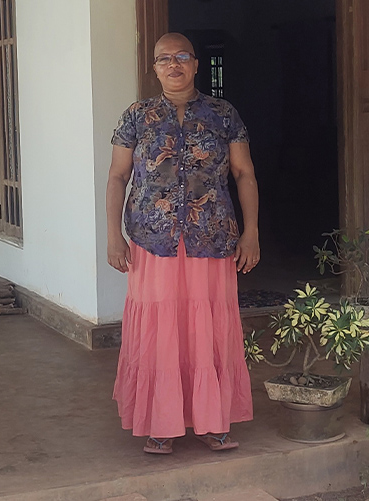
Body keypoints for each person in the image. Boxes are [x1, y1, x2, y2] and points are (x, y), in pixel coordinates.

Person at [107, 32, 260, 455]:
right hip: (151, 240)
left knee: (208, 327)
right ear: (153, 68)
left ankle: (213, 421)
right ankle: (161, 421)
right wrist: (112, 235)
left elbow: (244, 173)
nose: (173, 65)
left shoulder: (223, 114)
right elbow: (118, 176)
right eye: (163, 59)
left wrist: (252, 231)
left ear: (195, 64)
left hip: (211, 237)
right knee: (159, 330)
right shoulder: (136, 116)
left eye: (181, 57)